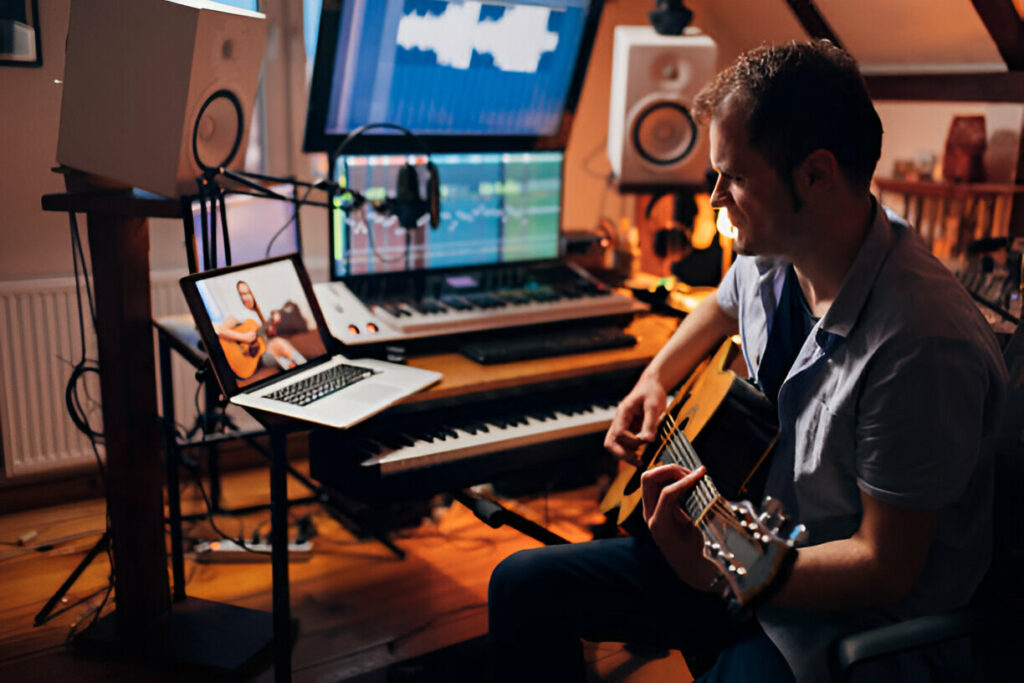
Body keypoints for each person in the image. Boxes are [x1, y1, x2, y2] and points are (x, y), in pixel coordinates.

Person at [487, 40, 1008, 682]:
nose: (713, 200)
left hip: (841, 621)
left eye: (731, 177)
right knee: (521, 584)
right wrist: (654, 381)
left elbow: (884, 566)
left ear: (816, 174)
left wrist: (719, 568)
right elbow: (718, 308)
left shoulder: (923, 344)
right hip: (742, 552)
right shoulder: (775, 247)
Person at [216, 280, 306, 377]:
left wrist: (272, 328)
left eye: (247, 293)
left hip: (260, 352)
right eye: (241, 294)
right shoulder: (238, 313)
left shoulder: (258, 313)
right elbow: (221, 330)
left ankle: (300, 372)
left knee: (280, 346)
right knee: (279, 343)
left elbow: (263, 338)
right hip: (249, 361)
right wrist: (243, 337)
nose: (245, 297)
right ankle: (306, 369)